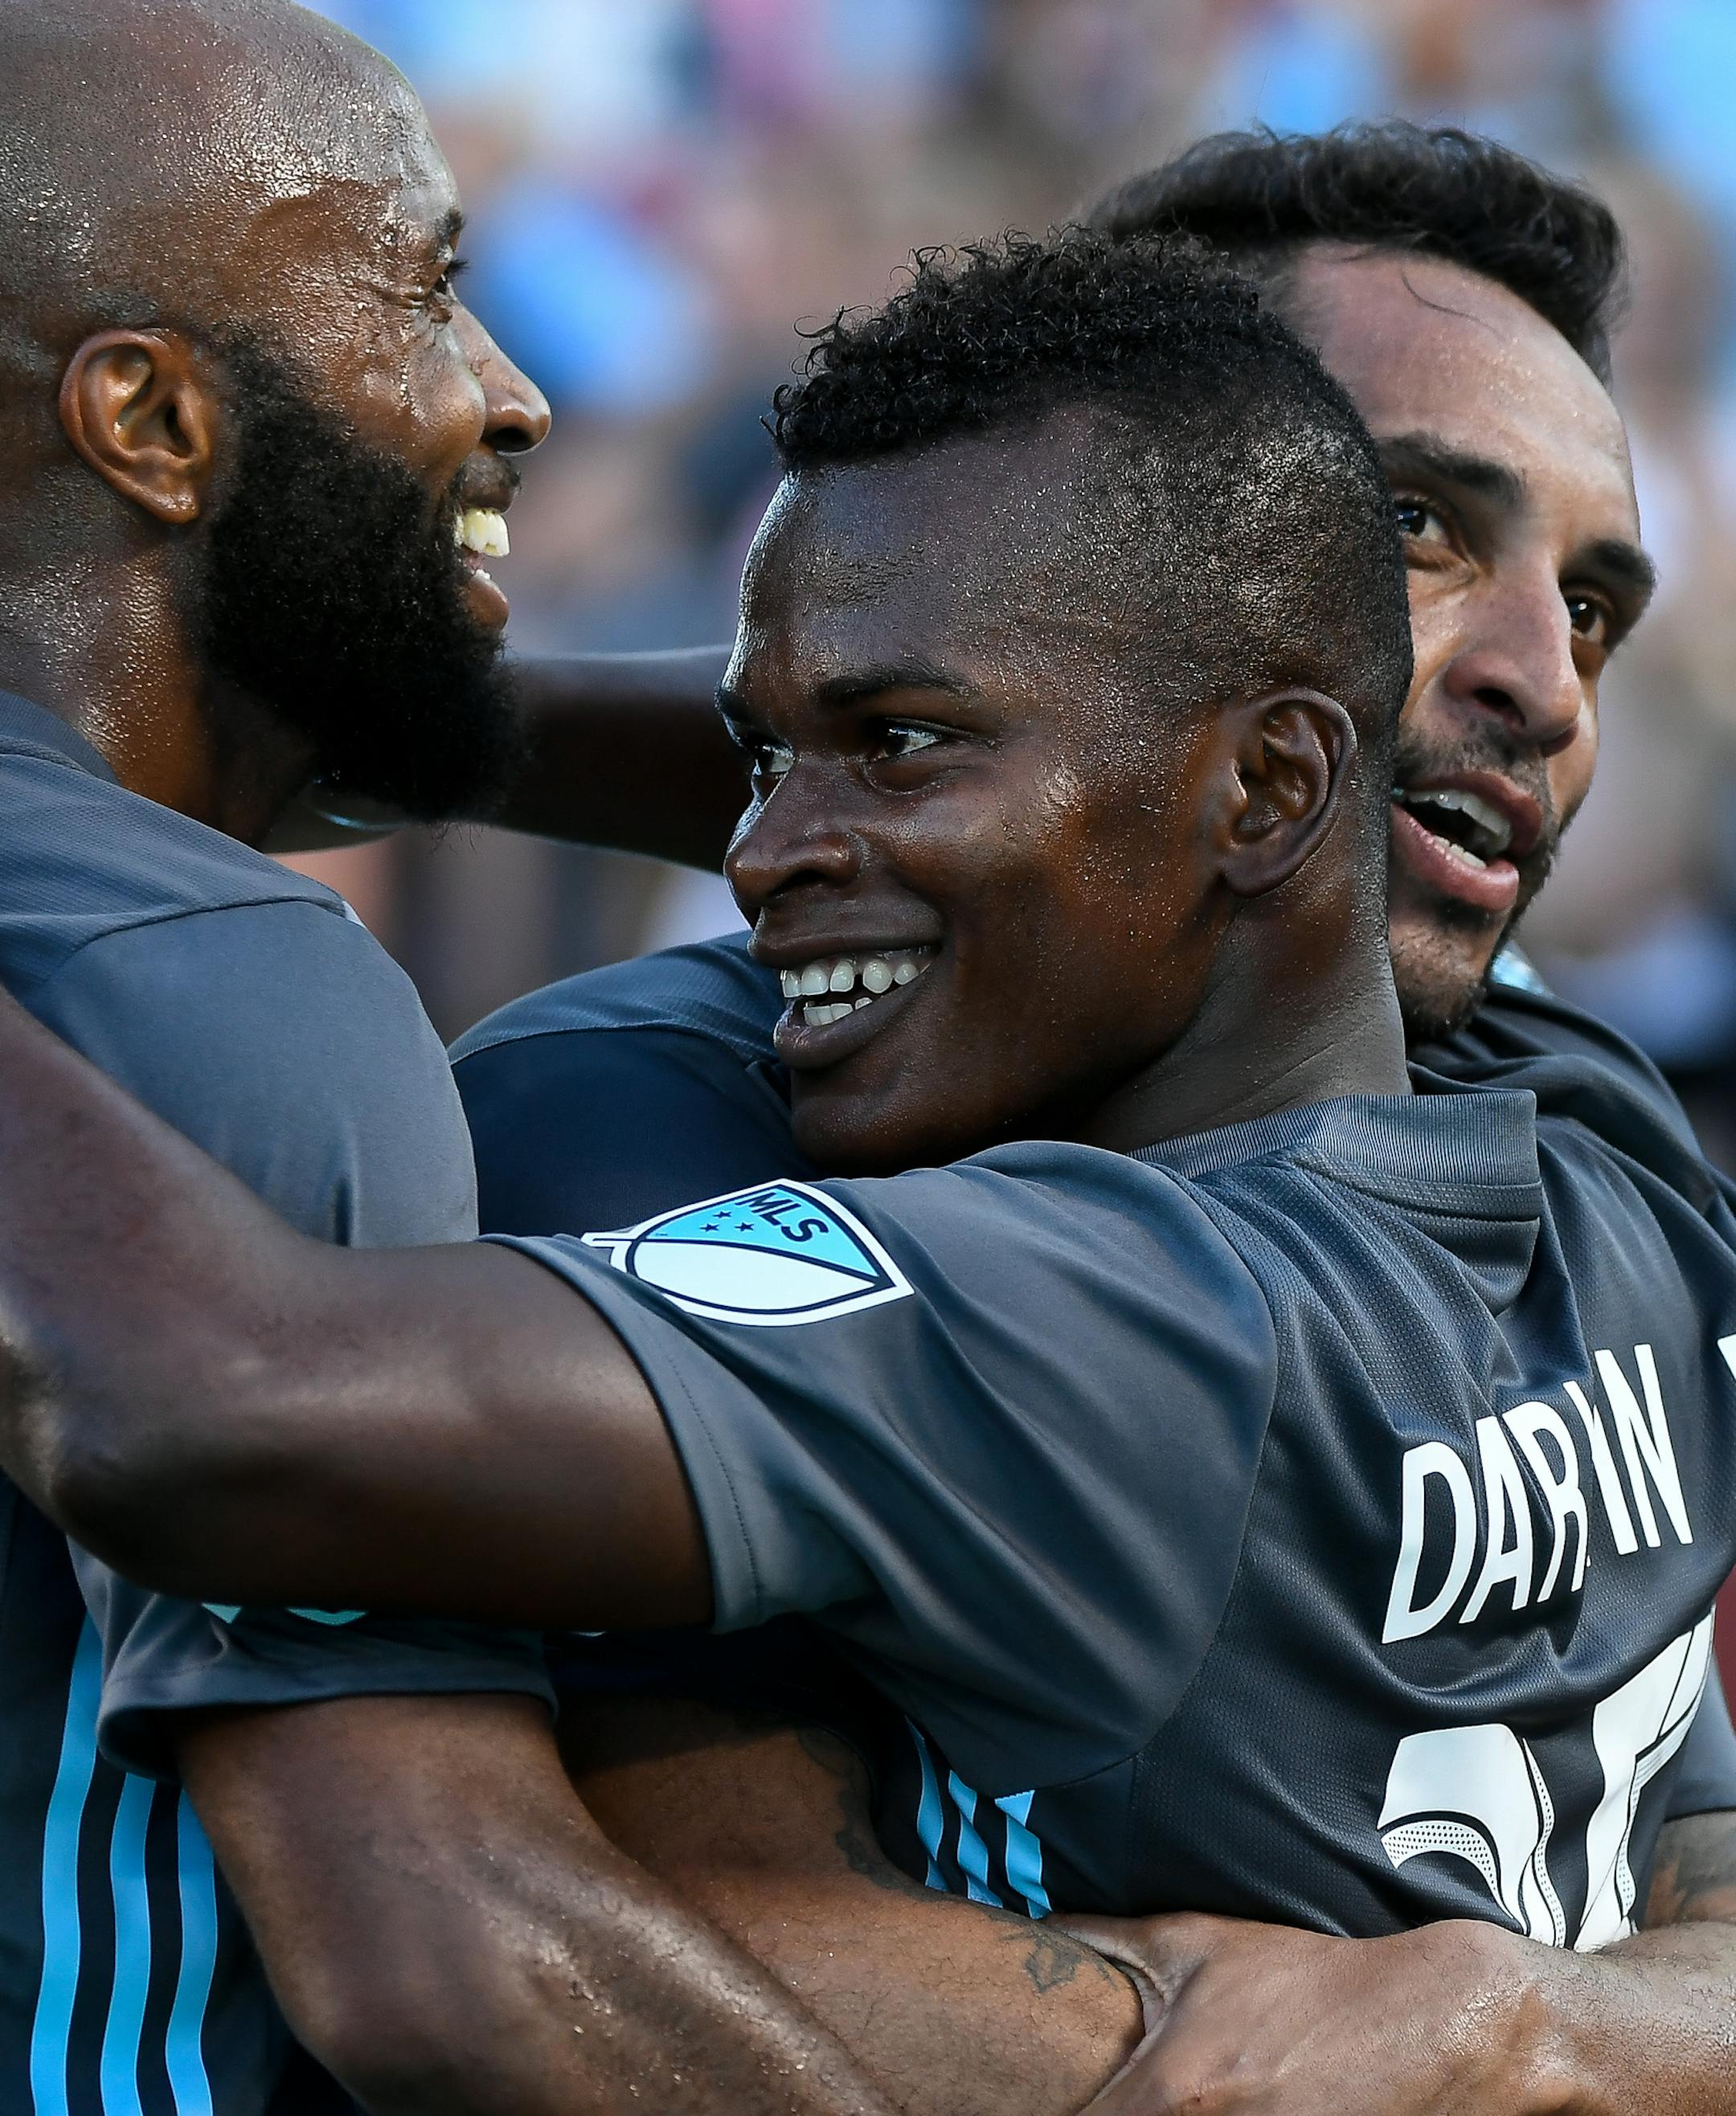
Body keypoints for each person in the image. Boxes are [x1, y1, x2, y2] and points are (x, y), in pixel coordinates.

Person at [5, 223, 1736, 2116]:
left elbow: (226, 1425)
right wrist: (1546, 2021)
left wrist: (1495, 2035)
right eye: (1422, 527)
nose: (1534, 683)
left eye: (1591, 605)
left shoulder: (1039, 1273)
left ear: (1268, 782)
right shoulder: (1599, 1146)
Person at [0, 2, 924, 2113]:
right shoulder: (213, 980)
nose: (512, 394)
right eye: (425, 291)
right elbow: (447, 1953)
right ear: (151, 421)